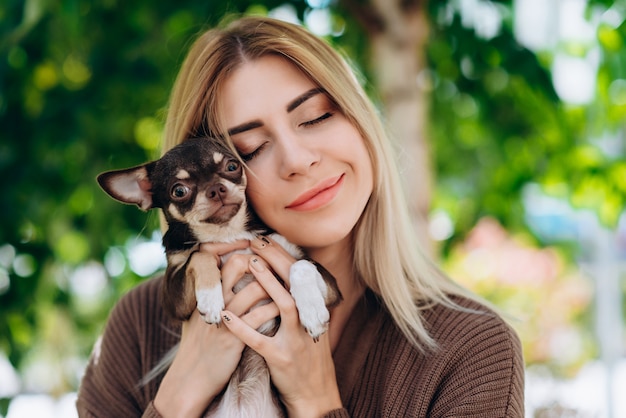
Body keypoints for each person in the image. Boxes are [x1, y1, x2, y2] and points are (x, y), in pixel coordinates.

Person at [76, 15, 524, 418]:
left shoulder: (472, 351)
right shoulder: (139, 328)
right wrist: (178, 399)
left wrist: (317, 404)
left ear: (360, 118)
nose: (298, 159)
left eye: (315, 117)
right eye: (251, 149)